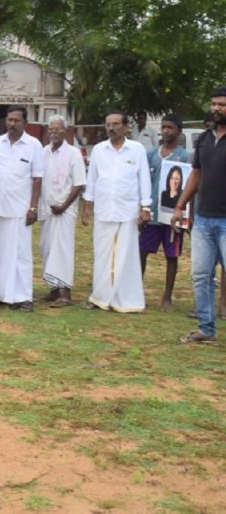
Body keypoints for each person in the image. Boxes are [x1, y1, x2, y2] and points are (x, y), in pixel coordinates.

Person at [81, 111, 151, 312]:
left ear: (126, 127)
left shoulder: (136, 149)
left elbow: (144, 178)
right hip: (104, 210)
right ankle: (100, 297)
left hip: (127, 210)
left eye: (116, 124)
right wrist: (87, 206)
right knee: (102, 255)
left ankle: (126, 300)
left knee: (125, 256)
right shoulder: (99, 150)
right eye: (108, 125)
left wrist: (145, 207)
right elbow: (92, 179)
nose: (111, 128)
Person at [173, 87, 226, 343]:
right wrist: (180, 205)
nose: (216, 108)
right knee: (201, 276)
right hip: (203, 220)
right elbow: (196, 174)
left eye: (222, 104)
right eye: (214, 104)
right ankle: (207, 329)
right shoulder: (205, 138)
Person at [0, 105, 43, 312]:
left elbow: (38, 178)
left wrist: (33, 208)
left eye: (16, 120)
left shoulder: (33, 145)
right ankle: (2, 294)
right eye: (9, 120)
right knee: (0, 252)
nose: (12, 124)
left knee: (21, 254)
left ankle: (24, 297)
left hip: (21, 208)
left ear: (24, 123)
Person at [138, 115, 191, 312]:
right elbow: (144, 183)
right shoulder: (151, 154)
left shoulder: (184, 157)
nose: (166, 131)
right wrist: (142, 209)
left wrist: (186, 216)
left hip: (172, 217)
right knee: (142, 252)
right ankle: (137, 291)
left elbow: (188, 187)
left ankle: (167, 297)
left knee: (171, 256)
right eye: (163, 127)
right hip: (151, 214)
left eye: (170, 127)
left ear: (179, 131)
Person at [38, 115, 86, 308]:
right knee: (47, 248)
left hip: (65, 211)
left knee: (63, 250)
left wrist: (64, 205)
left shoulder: (74, 154)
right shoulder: (43, 152)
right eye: (51, 130)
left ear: (65, 132)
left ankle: (65, 293)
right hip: (47, 209)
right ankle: (53, 290)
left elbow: (79, 183)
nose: (53, 133)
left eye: (57, 129)